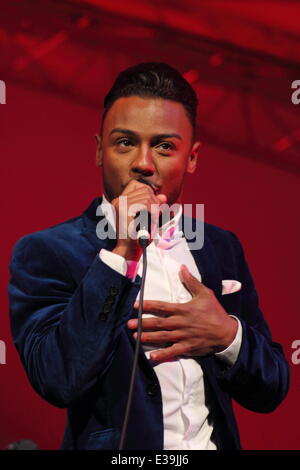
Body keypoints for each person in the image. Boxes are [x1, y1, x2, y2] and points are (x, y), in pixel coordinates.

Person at [8, 62, 289, 450]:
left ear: (191, 158)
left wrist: (226, 335)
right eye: (124, 142)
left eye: (164, 146)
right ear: (98, 151)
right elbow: (59, 377)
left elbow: (271, 387)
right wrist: (121, 250)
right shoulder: (47, 252)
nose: (143, 163)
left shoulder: (220, 247)